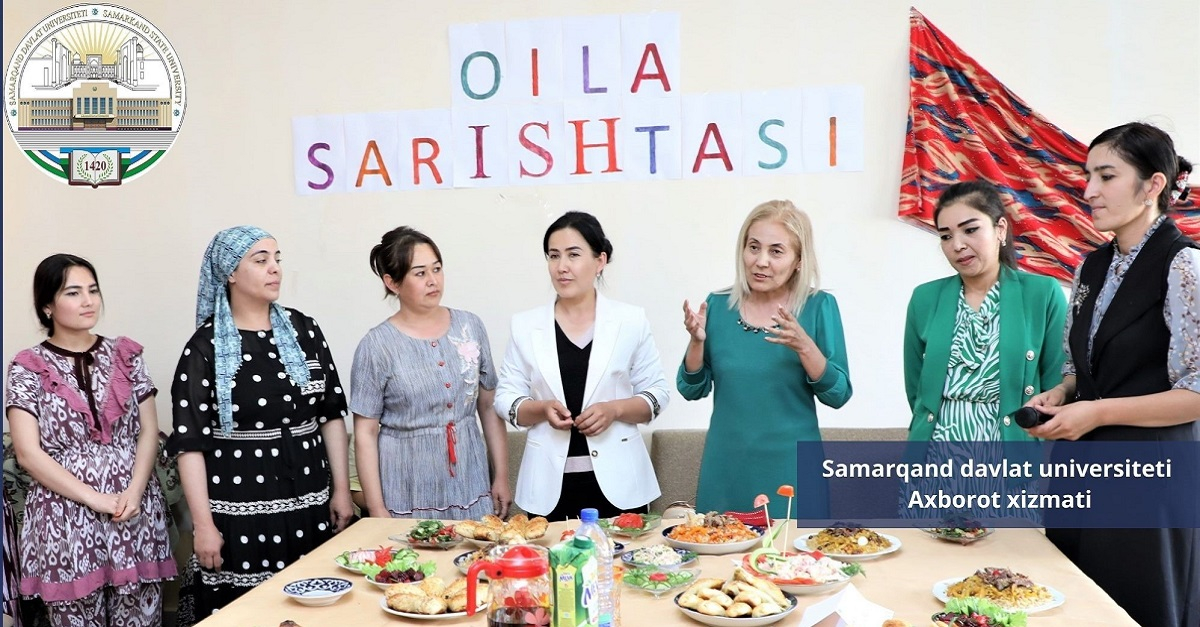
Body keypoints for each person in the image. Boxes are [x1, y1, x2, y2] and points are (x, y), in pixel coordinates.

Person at [1027, 123, 1199, 627]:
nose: (1089, 191)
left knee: (1134, 603)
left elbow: (1195, 392)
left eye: (1106, 176)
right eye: (1088, 176)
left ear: (1153, 185)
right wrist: (1062, 392)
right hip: (1080, 465)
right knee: (1071, 603)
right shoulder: (1092, 266)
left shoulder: (1183, 266)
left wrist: (1097, 412)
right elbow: (1080, 366)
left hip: (1150, 473)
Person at [168, 226, 352, 625]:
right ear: (231, 273)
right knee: (249, 611)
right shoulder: (204, 347)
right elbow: (189, 445)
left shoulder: (305, 331)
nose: (275, 269)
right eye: (261, 260)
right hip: (238, 508)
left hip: (309, 499)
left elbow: (331, 415)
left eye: (277, 259)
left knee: (312, 605)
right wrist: (203, 526)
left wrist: (341, 491)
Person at [5, 254, 176, 626]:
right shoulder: (26, 366)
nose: (88, 301)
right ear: (47, 305)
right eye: (73, 292)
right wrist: (94, 498)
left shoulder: (127, 355)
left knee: (141, 616)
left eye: (93, 290)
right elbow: (27, 453)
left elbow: (148, 431)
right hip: (64, 515)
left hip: (133, 510)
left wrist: (135, 491)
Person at [902, 181, 1067, 520]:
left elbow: (1057, 383)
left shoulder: (1043, 293)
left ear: (1000, 229)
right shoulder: (924, 298)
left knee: (1010, 553)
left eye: (970, 229)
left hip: (1009, 459)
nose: (957, 245)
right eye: (945, 236)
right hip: (934, 458)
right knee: (925, 551)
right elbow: (916, 388)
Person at [678, 200, 851, 517]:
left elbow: (838, 394)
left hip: (792, 467)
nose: (761, 261)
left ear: (798, 260)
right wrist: (696, 342)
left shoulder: (818, 306)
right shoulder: (717, 305)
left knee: (794, 549)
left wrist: (805, 346)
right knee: (719, 547)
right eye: (753, 247)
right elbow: (691, 388)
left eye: (776, 251)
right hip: (727, 466)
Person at [495, 212, 670, 520]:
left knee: (622, 554)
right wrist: (541, 409)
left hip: (621, 485)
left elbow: (657, 393)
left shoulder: (630, 321)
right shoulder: (525, 326)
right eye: (554, 256)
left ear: (600, 260)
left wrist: (615, 409)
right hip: (547, 487)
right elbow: (505, 398)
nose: (562, 266)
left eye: (573, 255)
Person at [352, 226, 511, 519]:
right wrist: (376, 509)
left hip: (469, 477)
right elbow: (365, 432)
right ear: (392, 282)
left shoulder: (470, 326)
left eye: (437, 269)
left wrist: (501, 475)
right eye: (420, 273)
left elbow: (488, 406)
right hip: (406, 483)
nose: (432, 280)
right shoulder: (376, 346)